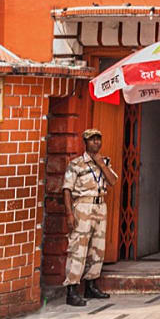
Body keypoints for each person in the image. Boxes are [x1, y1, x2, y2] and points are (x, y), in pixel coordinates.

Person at [62, 129, 118, 306]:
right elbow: (67, 190)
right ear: (85, 143)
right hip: (83, 206)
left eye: (98, 140)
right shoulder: (76, 164)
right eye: (92, 140)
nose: (96, 143)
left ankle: (91, 285)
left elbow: (113, 181)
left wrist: (101, 164)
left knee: (97, 247)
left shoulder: (105, 161)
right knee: (79, 247)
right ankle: (71, 288)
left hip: (100, 205)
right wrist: (69, 213)